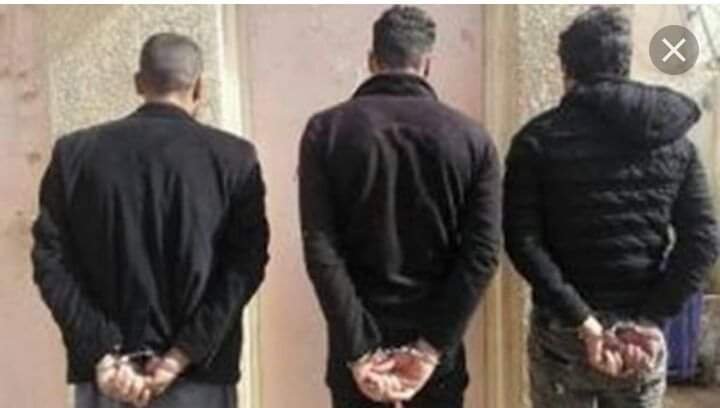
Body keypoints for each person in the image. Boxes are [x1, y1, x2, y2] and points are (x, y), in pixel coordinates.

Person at [32, 32, 269, 408]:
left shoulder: (75, 155)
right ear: (199, 88)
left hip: (108, 381)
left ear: (139, 83)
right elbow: (244, 266)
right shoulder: (234, 159)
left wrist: (103, 353)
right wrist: (181, 354)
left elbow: (50, 261)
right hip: (199, 379)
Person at [503, 7, 719, 408]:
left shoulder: (537, 141)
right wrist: (652, 319)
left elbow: (523, 241)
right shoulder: (673, 141)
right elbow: (703, 240)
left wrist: (581, 319)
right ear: (625, 64)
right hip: (639, 339)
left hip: (564, 334)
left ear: (566, 70)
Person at [298, 6, 502, 408]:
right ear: (427, 64)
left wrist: (359, 350)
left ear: (372, 61)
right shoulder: (472, 139)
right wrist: (429, 350)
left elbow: (321, 248)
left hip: (357, 356)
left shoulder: (326, 131)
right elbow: (481, 255)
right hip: (435, 360)